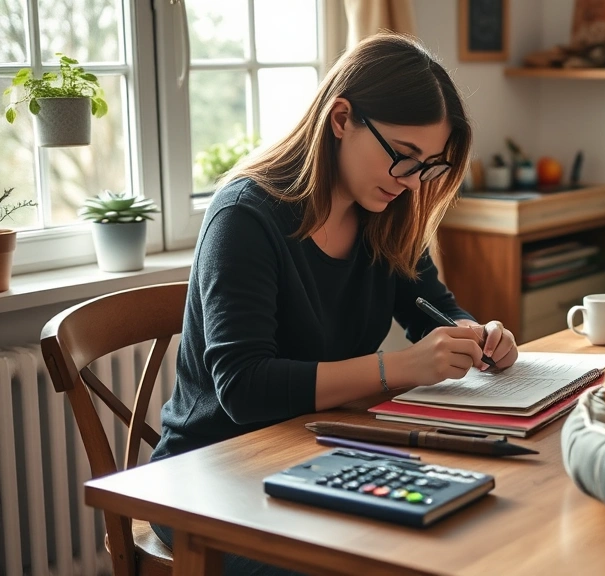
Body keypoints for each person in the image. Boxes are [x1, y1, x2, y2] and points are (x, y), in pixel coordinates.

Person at [148, 33, 519, 575]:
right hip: (213, 477)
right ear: (341, 118)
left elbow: (431, 308)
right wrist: (397, 369)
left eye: (428, 166)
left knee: (469, 532)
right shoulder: (245, 218)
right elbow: (243, 388)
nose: (413, 183)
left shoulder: (388, 214)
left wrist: (476, 333)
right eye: (403, 156)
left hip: (317, 453)